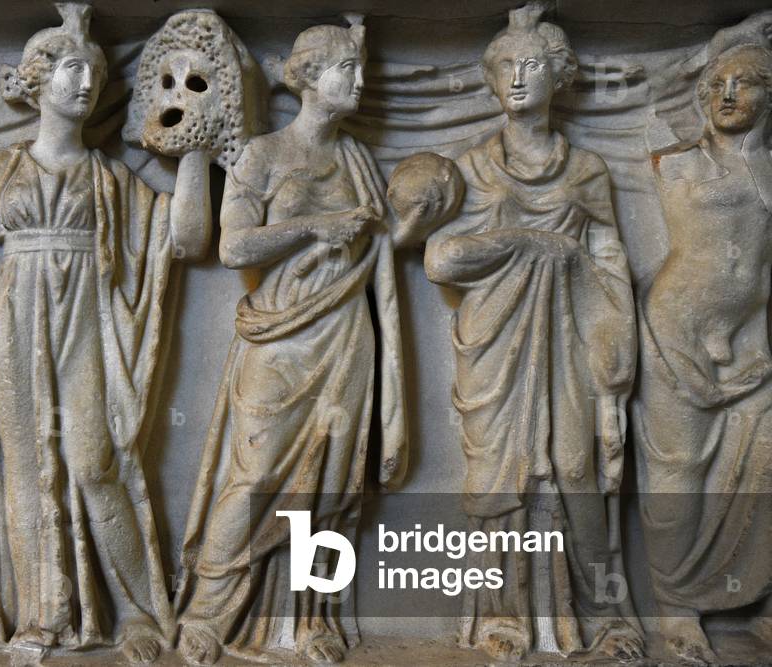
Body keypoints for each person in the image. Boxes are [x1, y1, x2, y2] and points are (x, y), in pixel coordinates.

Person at [0, 3, 211, 662]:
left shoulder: (112, 180)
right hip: (16, 319)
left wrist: (197, 150)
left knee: (94, 462)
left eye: (96, 74)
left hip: (86, 319)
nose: (85, 84)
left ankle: (137, 611)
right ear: (39, 78)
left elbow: (185, 240)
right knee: (25, 463)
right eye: (73, 69)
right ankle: (42, 616)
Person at [177, 19, 409, 665]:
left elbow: (384, 270)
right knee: (254, 476)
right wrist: (316, 226)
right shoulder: (264, 153)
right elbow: (234, 247)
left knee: (331, 485)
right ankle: (207, 613)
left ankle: (310, 618)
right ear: (309, 74)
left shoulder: (360, 158)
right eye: (348, 68)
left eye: (362, 68)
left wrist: (396, 401)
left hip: (345, 336)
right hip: (279, 337)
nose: (360, 80)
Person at [424, 3, 643, 662]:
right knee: (499, 475)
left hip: (574, 340)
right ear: (491, 80)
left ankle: (605, 616)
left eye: (532, 66)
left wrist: (612, 353)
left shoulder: (587, 173)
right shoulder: (471, 168)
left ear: (559, 76)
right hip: (495, 345)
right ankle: (505, 617)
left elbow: (610, 264)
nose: (518, 78)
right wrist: (527, 240)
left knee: (579, 471)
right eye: (506, 67)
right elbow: (440, 257)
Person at [635, 42, 772, 665]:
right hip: (676, 331)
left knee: (762, 465)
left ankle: (751, 597)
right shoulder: (674, 161)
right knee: (679, 468)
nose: (726, 94)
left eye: (744, 82)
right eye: (716, 82)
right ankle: (676, 605)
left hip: (749, 339)